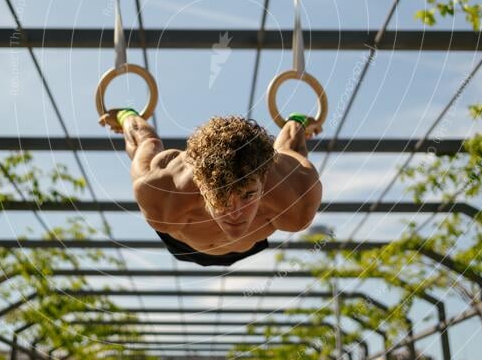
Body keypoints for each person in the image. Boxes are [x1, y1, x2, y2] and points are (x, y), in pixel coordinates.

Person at [102, 108, 322, 267]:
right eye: (221, 198)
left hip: (250, 242)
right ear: (200, 185)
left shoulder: (297, 196)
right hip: (185, 246)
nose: (235, 213)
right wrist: (125, 117)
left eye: (248, 196)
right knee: (148, 146)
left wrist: (299, 123)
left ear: (264, 180)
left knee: (286, 153)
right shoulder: (162, 193)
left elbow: (292, 147)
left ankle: (296, 120)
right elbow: (145, 142)